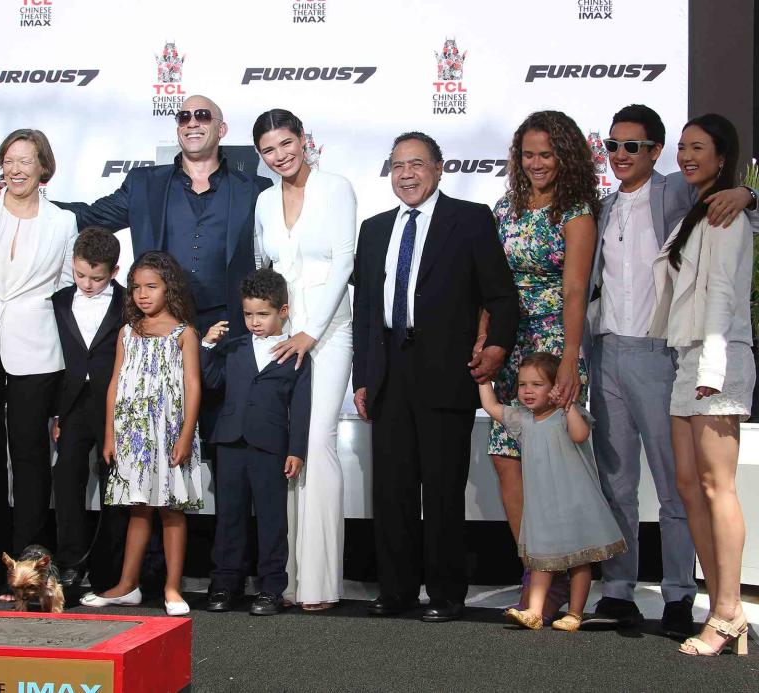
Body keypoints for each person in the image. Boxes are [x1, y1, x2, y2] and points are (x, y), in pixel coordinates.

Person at [583, 104, 758, 635]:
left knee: (676, 483)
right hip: (606, 351)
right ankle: (618, 589)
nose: (619, 155)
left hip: (665, 355)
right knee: (616, 479)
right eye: (612, 145)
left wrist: (748, 192)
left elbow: (733, 209)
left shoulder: (680, 193)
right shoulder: (601, 205)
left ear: (655, 152)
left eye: (631, 146)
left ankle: (681, 594)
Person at [352, 132, 520, 622]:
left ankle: (446, 593)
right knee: (392, 489)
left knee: (444, 490)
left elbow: (501, 296)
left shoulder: (469, 220)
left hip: (447, 370)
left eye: (417, 164)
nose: (406, 174)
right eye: (398, 165)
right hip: (388, 372)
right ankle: (397, 590)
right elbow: (365, 310)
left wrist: (495, 348)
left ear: (439, 168)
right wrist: (363, 377)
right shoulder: (374, 228)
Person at [485, 110, 598, 618]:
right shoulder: (504, 208)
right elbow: (488, 284)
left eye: (546, 154)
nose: (536, 163)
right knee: (506, 456)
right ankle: (534, 571)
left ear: (565, 157)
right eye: (528, 154)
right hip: (509, 347)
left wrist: (569, 361)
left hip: (553, 345)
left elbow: (575, 289)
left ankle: (555, 580)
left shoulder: (575, 212)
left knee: (551, 466)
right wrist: (486, 341)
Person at [648, 114, 753, 657]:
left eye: (699, 148)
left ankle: (729, 611)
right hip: (686, 358)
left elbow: (722, 297)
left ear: (721, 155)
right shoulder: (701, 209)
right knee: (689, 487)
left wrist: (712, 372)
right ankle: (721, 605)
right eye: (683, 147)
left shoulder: (728, 214)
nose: (687, 156)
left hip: (718, 359)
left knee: (717, 487)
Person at [53, 94, 271, 340]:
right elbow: (90, 216)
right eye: (183, 117)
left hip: (230, 327)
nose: (191, 123)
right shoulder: (144, 184)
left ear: (221, 129)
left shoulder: (255, 189)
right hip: (161, 323)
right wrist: (26, 201)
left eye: (202, 116)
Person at [252, 108, 355, 609]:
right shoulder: (265, 202)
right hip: (281, 339)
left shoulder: (335, 188)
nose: (281, 156)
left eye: (287, 144)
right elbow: (263, 270)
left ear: (303, 140)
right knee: (283, 450)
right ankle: (286, 579)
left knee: (316, 443)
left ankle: (320, 583)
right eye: (270, 150)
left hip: (329, 334)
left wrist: (312, 333)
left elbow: (345, 261)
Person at [0, 129, 78, 593]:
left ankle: (29, 561)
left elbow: (65, 286)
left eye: (25, 161)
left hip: (37, 346)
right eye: (9, 160)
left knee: (31, 455)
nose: (16, 169)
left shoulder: (62, 222)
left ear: (43, 168)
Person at [80, 251, 202, 616]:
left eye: (151, 286)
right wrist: (109, 435)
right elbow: (115, 383)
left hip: (168, 434)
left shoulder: (185, 334)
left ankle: (172, 588)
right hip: (132, 434)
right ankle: (126, 585)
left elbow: (193, 386)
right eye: (136, 288)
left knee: (170, 509)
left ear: (169, 288)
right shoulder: (127, 334)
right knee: (137, 508)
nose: (142, 294)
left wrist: (184, 435)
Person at [479, 352, 626, 631]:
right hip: (543, 505)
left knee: (579, 560)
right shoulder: (522, 420)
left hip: (574, 502)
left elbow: (580, 434)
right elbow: (491, 405)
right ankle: (534, 610)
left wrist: (567, 404)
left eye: (537, 384)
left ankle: (574, 613)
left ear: (555, 387)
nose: (528, 391)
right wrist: (484, 377)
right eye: (523, 385)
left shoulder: (564, 416)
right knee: (541, 559)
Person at [201, 269, 312, 616]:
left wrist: (297, 449)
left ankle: (271, 589)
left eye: (262, 314)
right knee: (228, 517)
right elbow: (210, 382)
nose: (254, 321)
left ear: (283, 311)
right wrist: (207, 346)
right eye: (248, 314)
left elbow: (302, 405)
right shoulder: (231, 349)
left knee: (271, 520)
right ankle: (224, 585)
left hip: (271, 447)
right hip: (230, 443)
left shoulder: (296, 353)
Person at [50, 227, 125, 587]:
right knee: (66, 480)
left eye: (96, 277)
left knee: (117, 486)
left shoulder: (128, 303)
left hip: (116, 405)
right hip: (73, 405)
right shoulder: (61, 300)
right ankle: (70, 563)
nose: (87, 283)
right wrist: (57, 412)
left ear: (113, 271)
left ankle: (110, 569)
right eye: (80, 275)